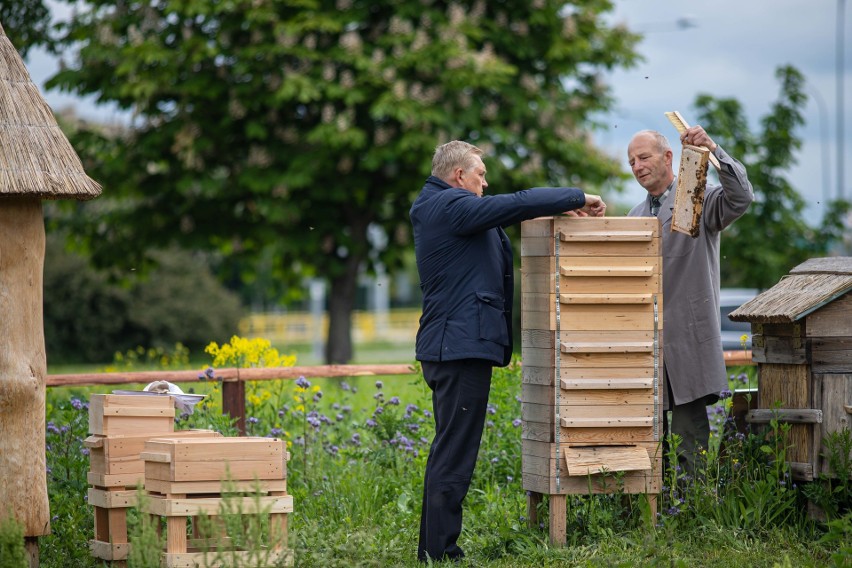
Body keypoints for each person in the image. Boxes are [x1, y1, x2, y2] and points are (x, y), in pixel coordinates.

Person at [410, 140, 606, 562]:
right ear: (459, 176)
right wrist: (578, 196)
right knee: (454, 453)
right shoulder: (448, 207)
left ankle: (433, 548)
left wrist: (554, 211)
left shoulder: (445, 209)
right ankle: (441, 553)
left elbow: (510, 212)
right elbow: (514, 202)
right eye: (480, 174)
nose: (486, 182)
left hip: (456, 346)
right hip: (458, 349)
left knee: (449, 448)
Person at [626, 127, 753, 476]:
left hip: (688, 342)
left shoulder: (697, 198)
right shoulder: (634, 217)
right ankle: (651, 517)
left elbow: (740, 198)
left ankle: (691, 516)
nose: (637, 166)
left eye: (644, 157)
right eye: (631, 161)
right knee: (647, 441)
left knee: (688, 439)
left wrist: (713, 150)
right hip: (645, 348)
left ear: (669, 158)